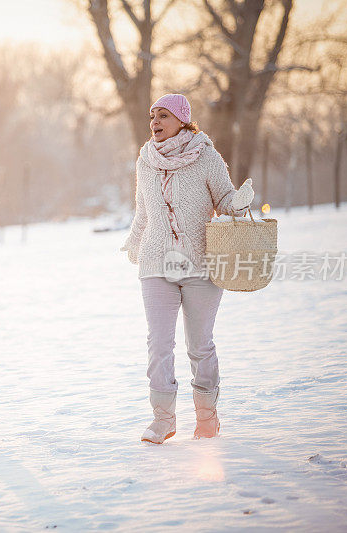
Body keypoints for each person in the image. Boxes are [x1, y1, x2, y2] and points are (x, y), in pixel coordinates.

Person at [120, 93, 254, 444]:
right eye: (152, 117)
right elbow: (143, 211)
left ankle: (207, 417)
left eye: (163, 115)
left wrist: (237, 203)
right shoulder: (146, 160)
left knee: (199, 345)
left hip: (201, 265)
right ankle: (163, 419)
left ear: (182, 119)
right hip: (156, 263)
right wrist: (134, 242)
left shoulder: (207, 156)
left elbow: (223, 200)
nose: (155, 123)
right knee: (159, 345)